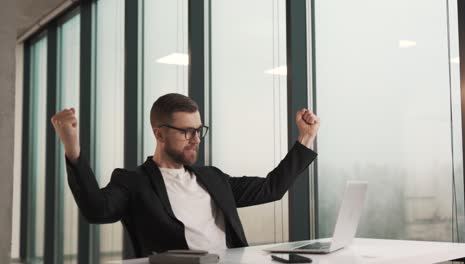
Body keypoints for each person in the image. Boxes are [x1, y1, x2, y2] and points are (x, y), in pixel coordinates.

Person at [51, 93, 320, 257]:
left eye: (198, 130)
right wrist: (72, 149)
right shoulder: (133, 183)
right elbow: (97, 211)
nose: (196, 139)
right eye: (186, 132)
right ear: (159, 133)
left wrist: (305, 138)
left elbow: (271, 189)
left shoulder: (213, 178)